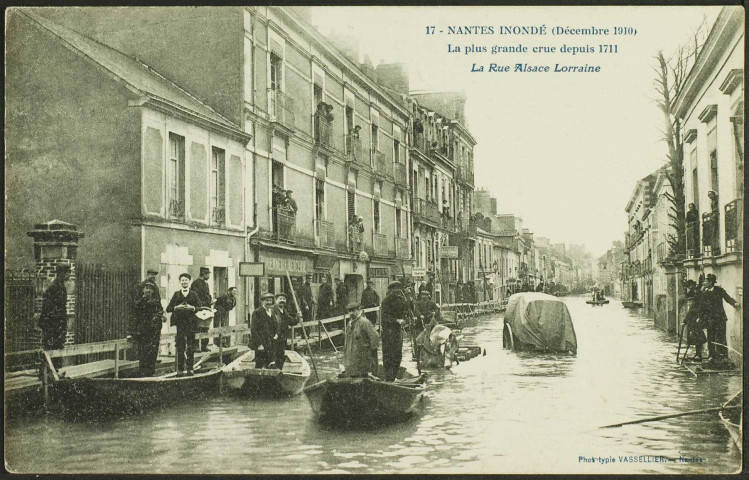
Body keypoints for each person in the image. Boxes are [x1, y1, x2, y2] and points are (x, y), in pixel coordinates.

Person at [130, 268, 165, 376]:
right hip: (144, 323)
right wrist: (144, 300)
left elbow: (159, 304)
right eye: (152, 275)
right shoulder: (139, 287)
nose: (154, 277)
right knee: (143, 348)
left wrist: (161, 314)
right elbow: (135, 305)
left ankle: (151, 371)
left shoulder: (156, 288)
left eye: (155, 275)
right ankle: (143, 371)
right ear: (147, 274)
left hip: (155, 324)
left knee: (154, 347)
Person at [701, 274, 740, 367]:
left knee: (721, 336)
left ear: (710, 282)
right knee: (710, 337)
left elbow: (727, 298)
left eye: (706, 281)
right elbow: (702, 307)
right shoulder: (704, 293)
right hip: (710, 319)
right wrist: (701, 317)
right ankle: (712, 356)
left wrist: (735, 304)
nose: (704, 283)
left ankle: (724, 356)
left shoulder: (719, 290)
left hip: (720, 318)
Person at [37, 264, 71, 374]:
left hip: (58, 325)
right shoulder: (53, 288)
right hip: (51, 325)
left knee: (57, 348)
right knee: (50, 349)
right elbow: (47, 309)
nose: (68, 275)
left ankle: (55, 372)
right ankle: (47, 374)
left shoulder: (62, 288)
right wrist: (53, 325)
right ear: (60, 273)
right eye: (66, 273)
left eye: (69, 272)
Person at [166, 273, 201, 376]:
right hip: (180, 323)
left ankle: (190, 369)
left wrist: (192, 308)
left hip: (191, 323)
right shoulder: (176, 294)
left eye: (186, 280)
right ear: (180, 282)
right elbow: (168, 308)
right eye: (182, 280)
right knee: (180, 346)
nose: (184, 282)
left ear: (189, 281)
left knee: (191, 346)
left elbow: (200, 307)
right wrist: (176, 308)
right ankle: (180, 369)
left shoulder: (194, 294)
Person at [380, 281, 409, 382]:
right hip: (388, 331)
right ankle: (389, 377)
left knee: (397, 354)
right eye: (396, 289)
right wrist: (397, 320)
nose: (398, 291)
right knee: (388, 355)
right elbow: (384, 317)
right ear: (391, 290)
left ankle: (394, 376)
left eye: (399, 289)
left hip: (397, 331)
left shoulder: (401, 300)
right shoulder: (386, 301)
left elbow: (406, 311)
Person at [342, 302, 380, 377]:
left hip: (363, 357)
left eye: (353, 310)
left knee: (363, 375)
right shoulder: (349, 324)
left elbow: (374, 336)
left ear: (359, 310)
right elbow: (347, 342)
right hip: (353, 358)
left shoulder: (364, 322)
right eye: (349, 311)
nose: (351, 313)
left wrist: (372, 351)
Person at [271, 293, 301, 369]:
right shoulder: (272, 310)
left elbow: (292, 322)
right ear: (276, 300)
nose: (282, 301)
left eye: (284, 299)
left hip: (282, 338)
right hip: (274, 338)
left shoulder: (284, 311)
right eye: (280, 299)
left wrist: (297, 317)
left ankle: (279, 372)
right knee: (273, 358)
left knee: (281, 357)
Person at [249, 293, 276, 369]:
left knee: (270, 362)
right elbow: (254, 329)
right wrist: (259, 344)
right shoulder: (257, 312)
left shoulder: (272, 312)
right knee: (259, 363)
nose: (269, 302)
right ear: (262, 302)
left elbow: (275, 325)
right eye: (267, 300)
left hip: (270, 341)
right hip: (261, 341)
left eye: (270, 300)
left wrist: (276, 334)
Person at [682, 279, 706, 361]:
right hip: (692, 325)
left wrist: (699, 318)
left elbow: (700, 312)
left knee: (698, 340)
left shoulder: (697, 306)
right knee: (694, 339)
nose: (689, 303)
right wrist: (684, 322)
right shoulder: (692, 307)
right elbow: (688, 315)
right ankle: (697, 354)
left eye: (690, 301)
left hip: (697, 324)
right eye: (688, 301)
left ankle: (699, 355)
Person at [190, 267, 213, 352]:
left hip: (207, 308)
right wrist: (200, 305)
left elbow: (208, 295)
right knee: (196, 327)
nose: (208, 276)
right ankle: (195, 346)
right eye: (208, 274)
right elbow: (194, 296)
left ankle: (204, 346)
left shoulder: (206, 284)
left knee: (205, 327)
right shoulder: (195, 284)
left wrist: (210, 301)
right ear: (203, 273)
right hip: (199, 309)